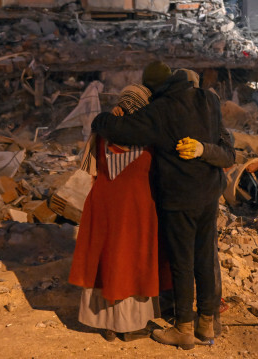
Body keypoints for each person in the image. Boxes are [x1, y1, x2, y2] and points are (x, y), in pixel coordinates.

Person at [92, 61, 235, 350]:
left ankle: (183, 329)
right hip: (209, 194)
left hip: (179, 198)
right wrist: (204, 150)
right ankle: (206, 325)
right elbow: (228, 151)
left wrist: (99, 120)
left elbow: (121, 130)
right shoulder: (210, 100)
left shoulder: (160, 110)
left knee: (182, 262)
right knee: (205, 258)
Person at [69, 83, 167, 342]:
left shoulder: (102, 130)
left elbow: (88, 168)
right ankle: (130, 325)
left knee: (107, 261)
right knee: (131, 263)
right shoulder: (149, 136)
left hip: (104, 204)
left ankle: (106, 324)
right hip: (138, 207)